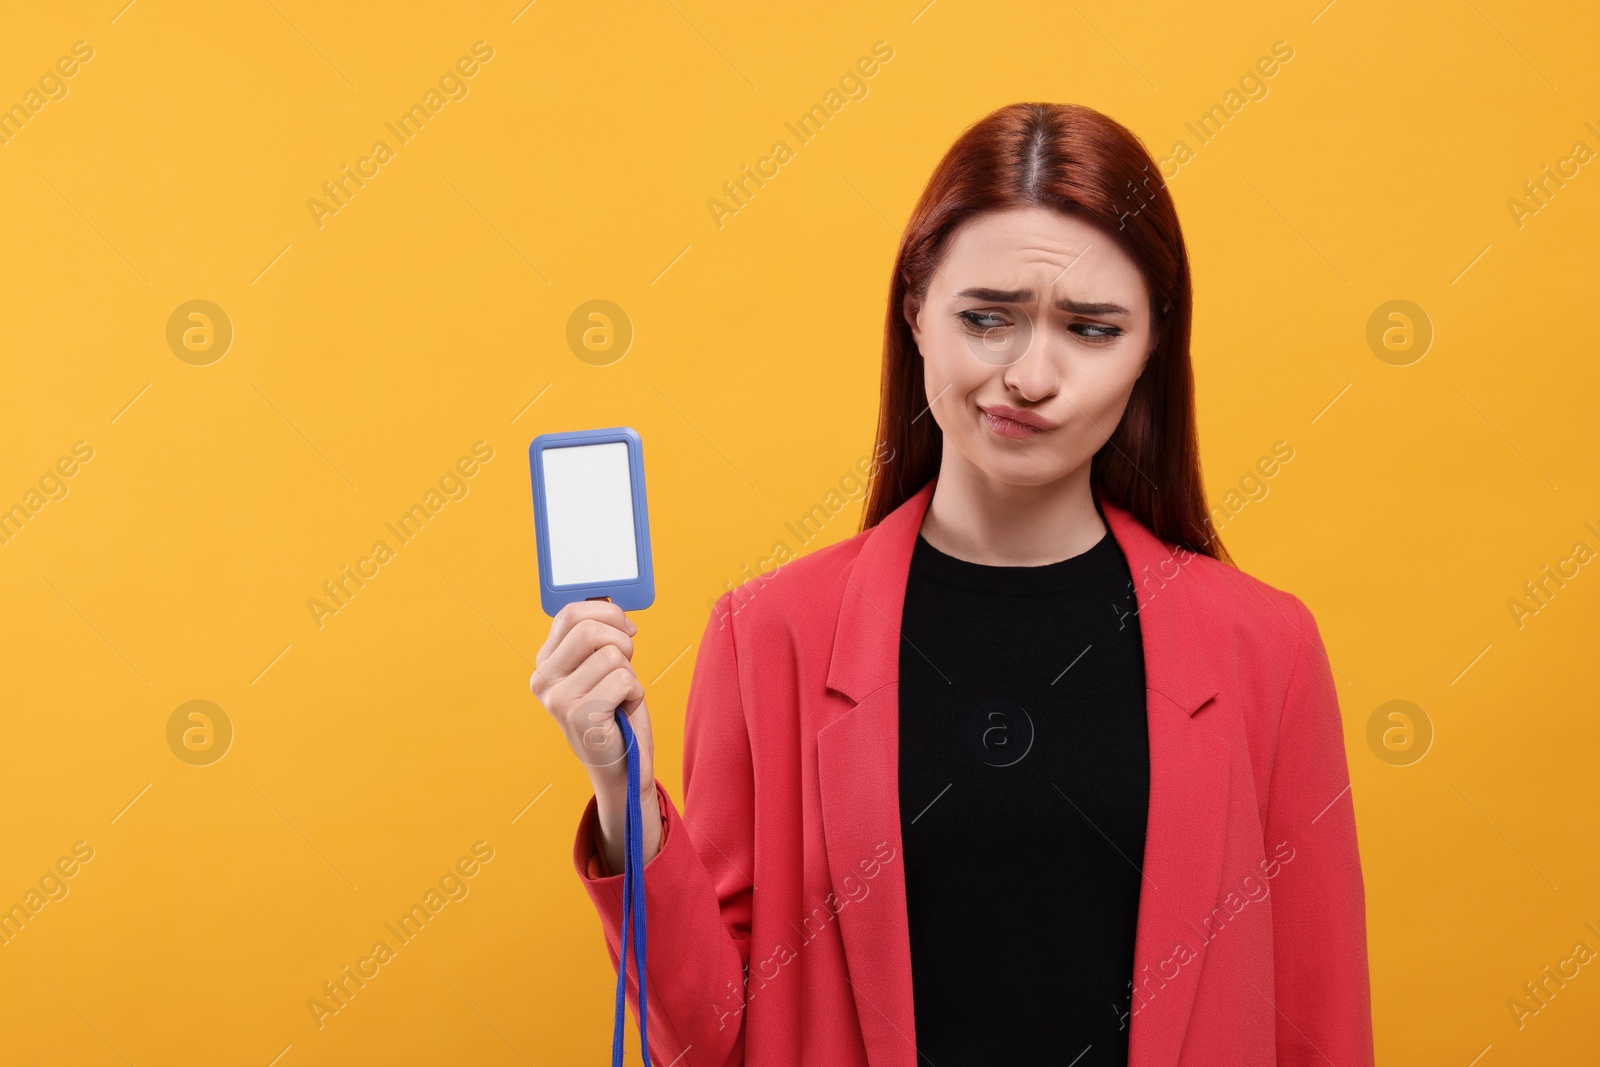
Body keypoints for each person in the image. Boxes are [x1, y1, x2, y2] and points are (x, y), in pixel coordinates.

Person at [534, 101, 1374, 1067]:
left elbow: (1323, 1024)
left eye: (1092, 330)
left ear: (1152, 352)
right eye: (987, 319)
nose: (1030, 375)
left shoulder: (1265, 647)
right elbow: (713, 1036)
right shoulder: (771, 633)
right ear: (916, 313)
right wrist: (621, 791)